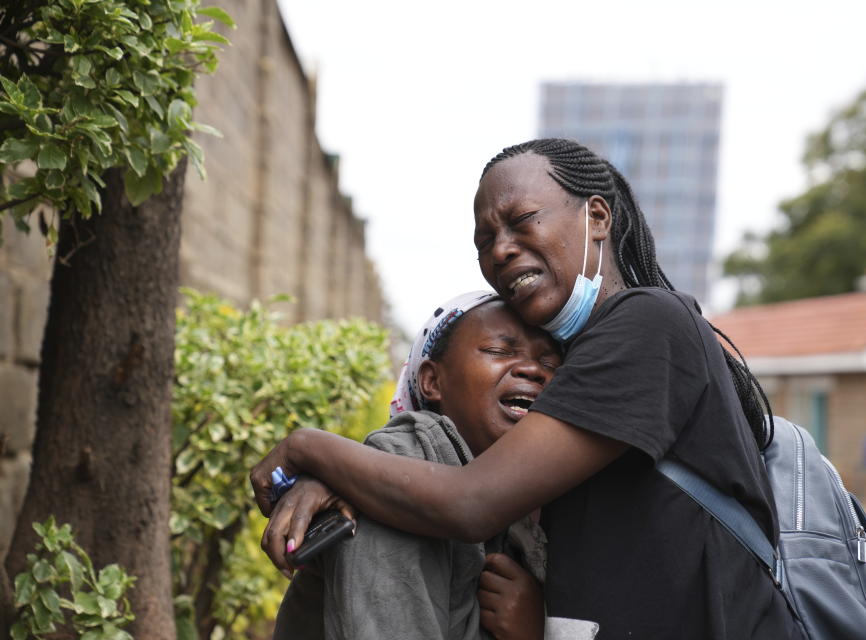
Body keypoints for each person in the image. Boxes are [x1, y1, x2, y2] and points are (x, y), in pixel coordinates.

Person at [252, 139, 804, 639]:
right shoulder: (580, 373)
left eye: (522, 221)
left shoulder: (646, 325)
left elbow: (470, 502)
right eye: (485, 239)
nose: (501, 250)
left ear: (596, 216)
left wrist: (311, 450)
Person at [267, 291, 558, 640]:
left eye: (552, 363)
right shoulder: (394, 491)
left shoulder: (535, 505)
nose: (533, 370)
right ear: (432, 381)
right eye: (499, 350)